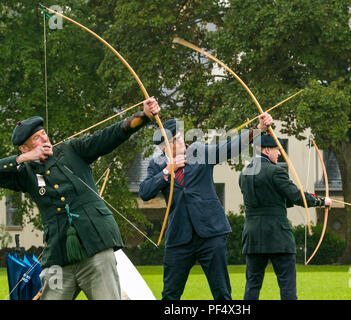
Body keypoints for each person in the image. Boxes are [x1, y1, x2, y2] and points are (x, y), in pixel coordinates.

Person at [0, 98, 160, 300]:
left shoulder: (71, 150)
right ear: (24, 148)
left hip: (96, 247)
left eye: (44, 135)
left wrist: (143, 116)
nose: (44, 140)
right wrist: (22, 160)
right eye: (36, 139)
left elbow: (109, 136)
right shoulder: (24, 173)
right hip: (58, 257)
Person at [139, 113, 273, 300]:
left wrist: (258, 130)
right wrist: (168, 170)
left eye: (178, 138)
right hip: (179, 237)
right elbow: (145, 192)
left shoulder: (198, 151)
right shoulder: (157, 165)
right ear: (163, 148)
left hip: (211, 234)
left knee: (221, 293)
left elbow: (228, 148)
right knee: (170, 294)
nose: (180, 143)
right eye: (173, 142)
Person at [238, 132, 332, 300]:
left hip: (252, 235)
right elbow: (297, 197)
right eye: (277, 149)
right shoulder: (275, 171)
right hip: (277, 235)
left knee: (252, 285)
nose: (280, 153)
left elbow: (270, 198)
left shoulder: (243, 173)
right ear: (267, 150)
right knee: (287, 285)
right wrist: (322, 201)